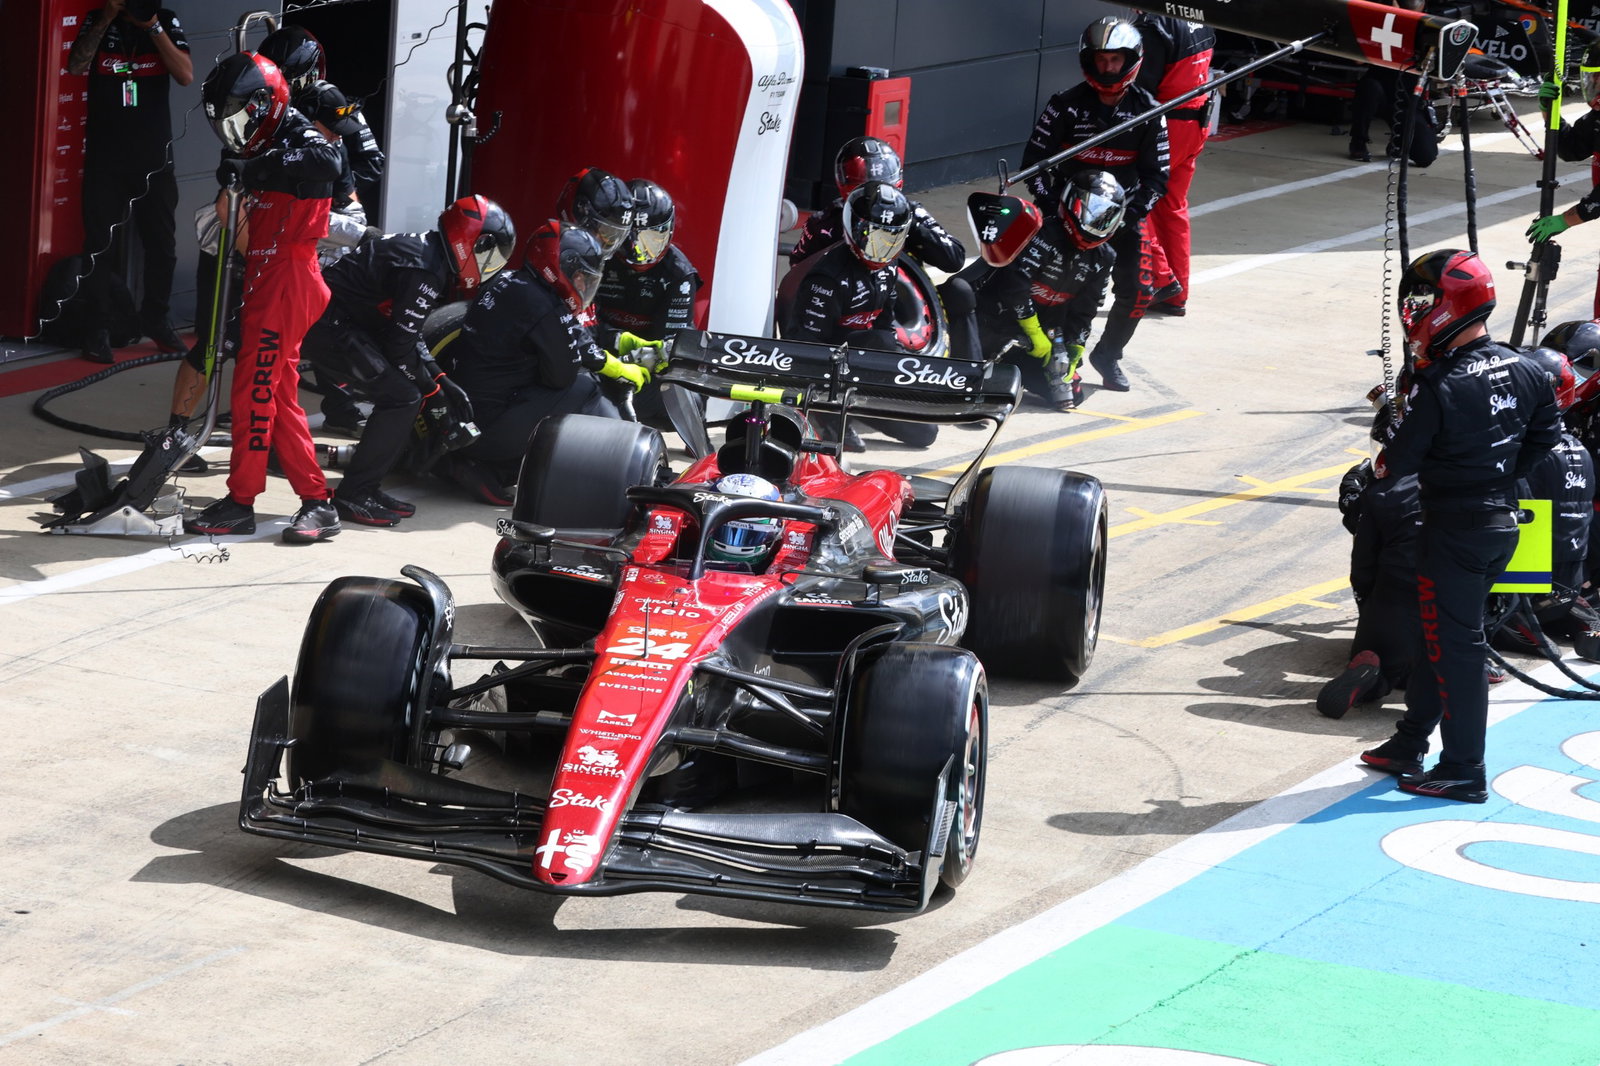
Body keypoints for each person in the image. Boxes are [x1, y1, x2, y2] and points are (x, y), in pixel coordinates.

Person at [1359, 249, 1561, 802]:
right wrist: (1494, 475)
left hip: (1453, 532)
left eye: (1423, 301)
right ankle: (1409, 741)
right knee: (1439, 634)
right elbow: (1546, 438)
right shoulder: (1527, 368)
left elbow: (1395, 463)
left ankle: (1465, 769)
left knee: (1459, 648)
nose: (1414, 310)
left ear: (1449, 307)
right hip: (1502, 524)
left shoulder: (1439, 383)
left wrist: (1395, 420)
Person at [183, 52, 342, 544]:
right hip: (268, 275)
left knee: (253, 391)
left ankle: (242, 499)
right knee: (275, 393)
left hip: (289, 278)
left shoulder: (302, 137)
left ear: (261, 105)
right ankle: (318, 502)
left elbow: (330, 161)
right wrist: (236, 179)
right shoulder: (263, 139)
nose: (233, 130)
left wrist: (255, 170)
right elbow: (241, 227)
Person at [298, 195, 514, 526]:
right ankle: (355, 493)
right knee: (402, 397)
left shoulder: (429, 254)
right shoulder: (426, 269)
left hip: (336, 321)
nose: (488, 264)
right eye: (488, 252)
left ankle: (364, 487)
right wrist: (433, 391)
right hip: (326, 324)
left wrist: (441, 380)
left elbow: (406, 336)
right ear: (470, 240)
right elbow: (400, 347)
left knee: (406, 394)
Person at [443, 221, 649, 503]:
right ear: (558, 265)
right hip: (485, 429)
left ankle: (486, 467)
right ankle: (629, 474)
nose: (582, 286)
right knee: (583, 388)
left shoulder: (508, 281)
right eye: (580, 278)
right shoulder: (544, 307)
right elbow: (560, 378)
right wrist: (611, 369)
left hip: (460, 413)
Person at [1022, 16, 1169, 393]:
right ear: (1088, 60)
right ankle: (1046, 353)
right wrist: (1054, 205)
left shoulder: (1151, 111)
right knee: (1055, 285)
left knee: (1140, 290)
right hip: (1066, 217)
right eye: (1101, 59)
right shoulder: (1065, 106)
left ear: (1131, 59)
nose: (1107, 68)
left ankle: (1109, 354)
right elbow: (1033, 165)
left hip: (1121, 217)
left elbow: (1157, 179)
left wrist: (1127, 216)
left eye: (1115, 60)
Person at [67, 0, 194, 364]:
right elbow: (75, 66)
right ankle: (97, 329)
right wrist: (106, 17)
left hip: (153, 157)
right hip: (106, 157)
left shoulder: (164, 19)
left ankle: (157, 319)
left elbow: (185, 75)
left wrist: (152, 26)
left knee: (162, 245)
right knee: (98, 245)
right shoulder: (97, 19)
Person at [962, 169, 1123, 411]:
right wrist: (1033, 332)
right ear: (1073, 202)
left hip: (1042, 341)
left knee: (1070, 396)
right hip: (993, 323)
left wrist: (1073, 351)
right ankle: (986, 371)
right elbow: (1014, 285)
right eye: (1094, 212)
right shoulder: (1039, 232)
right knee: (977, 383)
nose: (1098, 222)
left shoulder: (1104, 256)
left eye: (1106, 217)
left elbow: (1086, 310)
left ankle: (1009, 374)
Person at [1319, 399, 1422, 718]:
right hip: (1464, 595)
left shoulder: (1384, 493)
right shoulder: (1488, 480)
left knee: (1379, 662)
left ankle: (1380, 677)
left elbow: (1362, 566)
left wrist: (1351, 493)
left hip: (1395, 597)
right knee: (1455, 660)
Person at [1496, 347, 1598, 646]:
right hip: (1566, 587)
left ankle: (1513, 626)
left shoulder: (1522, 452)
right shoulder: (1580, 450)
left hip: (1526, 591)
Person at [592, 178, 702, 423]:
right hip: (600, 354)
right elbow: (583, 325)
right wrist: (611, 347)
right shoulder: (597, 259)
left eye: (652, 239)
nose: (639, 252)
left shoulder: (678, 273)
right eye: (630, 238)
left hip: (650, 365)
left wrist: (631, 361)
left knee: (685, 395)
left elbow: (669, 347)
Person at [789, 136, 966, 275]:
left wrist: (909, 225)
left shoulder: (911, 211)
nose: (879, 197)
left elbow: (954, 260)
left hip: (907, 300)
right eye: (868, 187)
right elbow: (798, 272)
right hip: (848, 304)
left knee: (960, 293)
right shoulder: (823, 224)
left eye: (883, 185)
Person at [1135, 13, 1215, 318]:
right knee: (1172, 207)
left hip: (1166, 125)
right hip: (1195, 125)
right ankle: (1176, 294)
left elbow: (1140, 91)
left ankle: (1161, 279)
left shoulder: (1155, 25)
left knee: (1133, 197)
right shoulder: (1201, 17)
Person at [257, 26, 385, 211]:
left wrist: (332, 190)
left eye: (290, 83)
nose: (284, 90)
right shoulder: (263, 113)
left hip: (324, 206)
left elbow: (372, 161)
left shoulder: (336, 106)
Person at [1529, 43, 1600, 316]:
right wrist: (1550, 112)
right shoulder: (1597, 119)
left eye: (1598, 78)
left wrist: (1564, 220)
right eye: (1591, 77)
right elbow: (1571, 149)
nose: (1593, 84)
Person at [1346, 0, 1438, 166]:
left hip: (1409, 101)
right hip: (1380, 94)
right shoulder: (1383, 19)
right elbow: (1356, 60)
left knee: (1425, 157)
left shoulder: (1432, 26)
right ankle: (1358, 141)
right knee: (1369, 87)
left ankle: (1398, 141)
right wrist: (1392, 21)